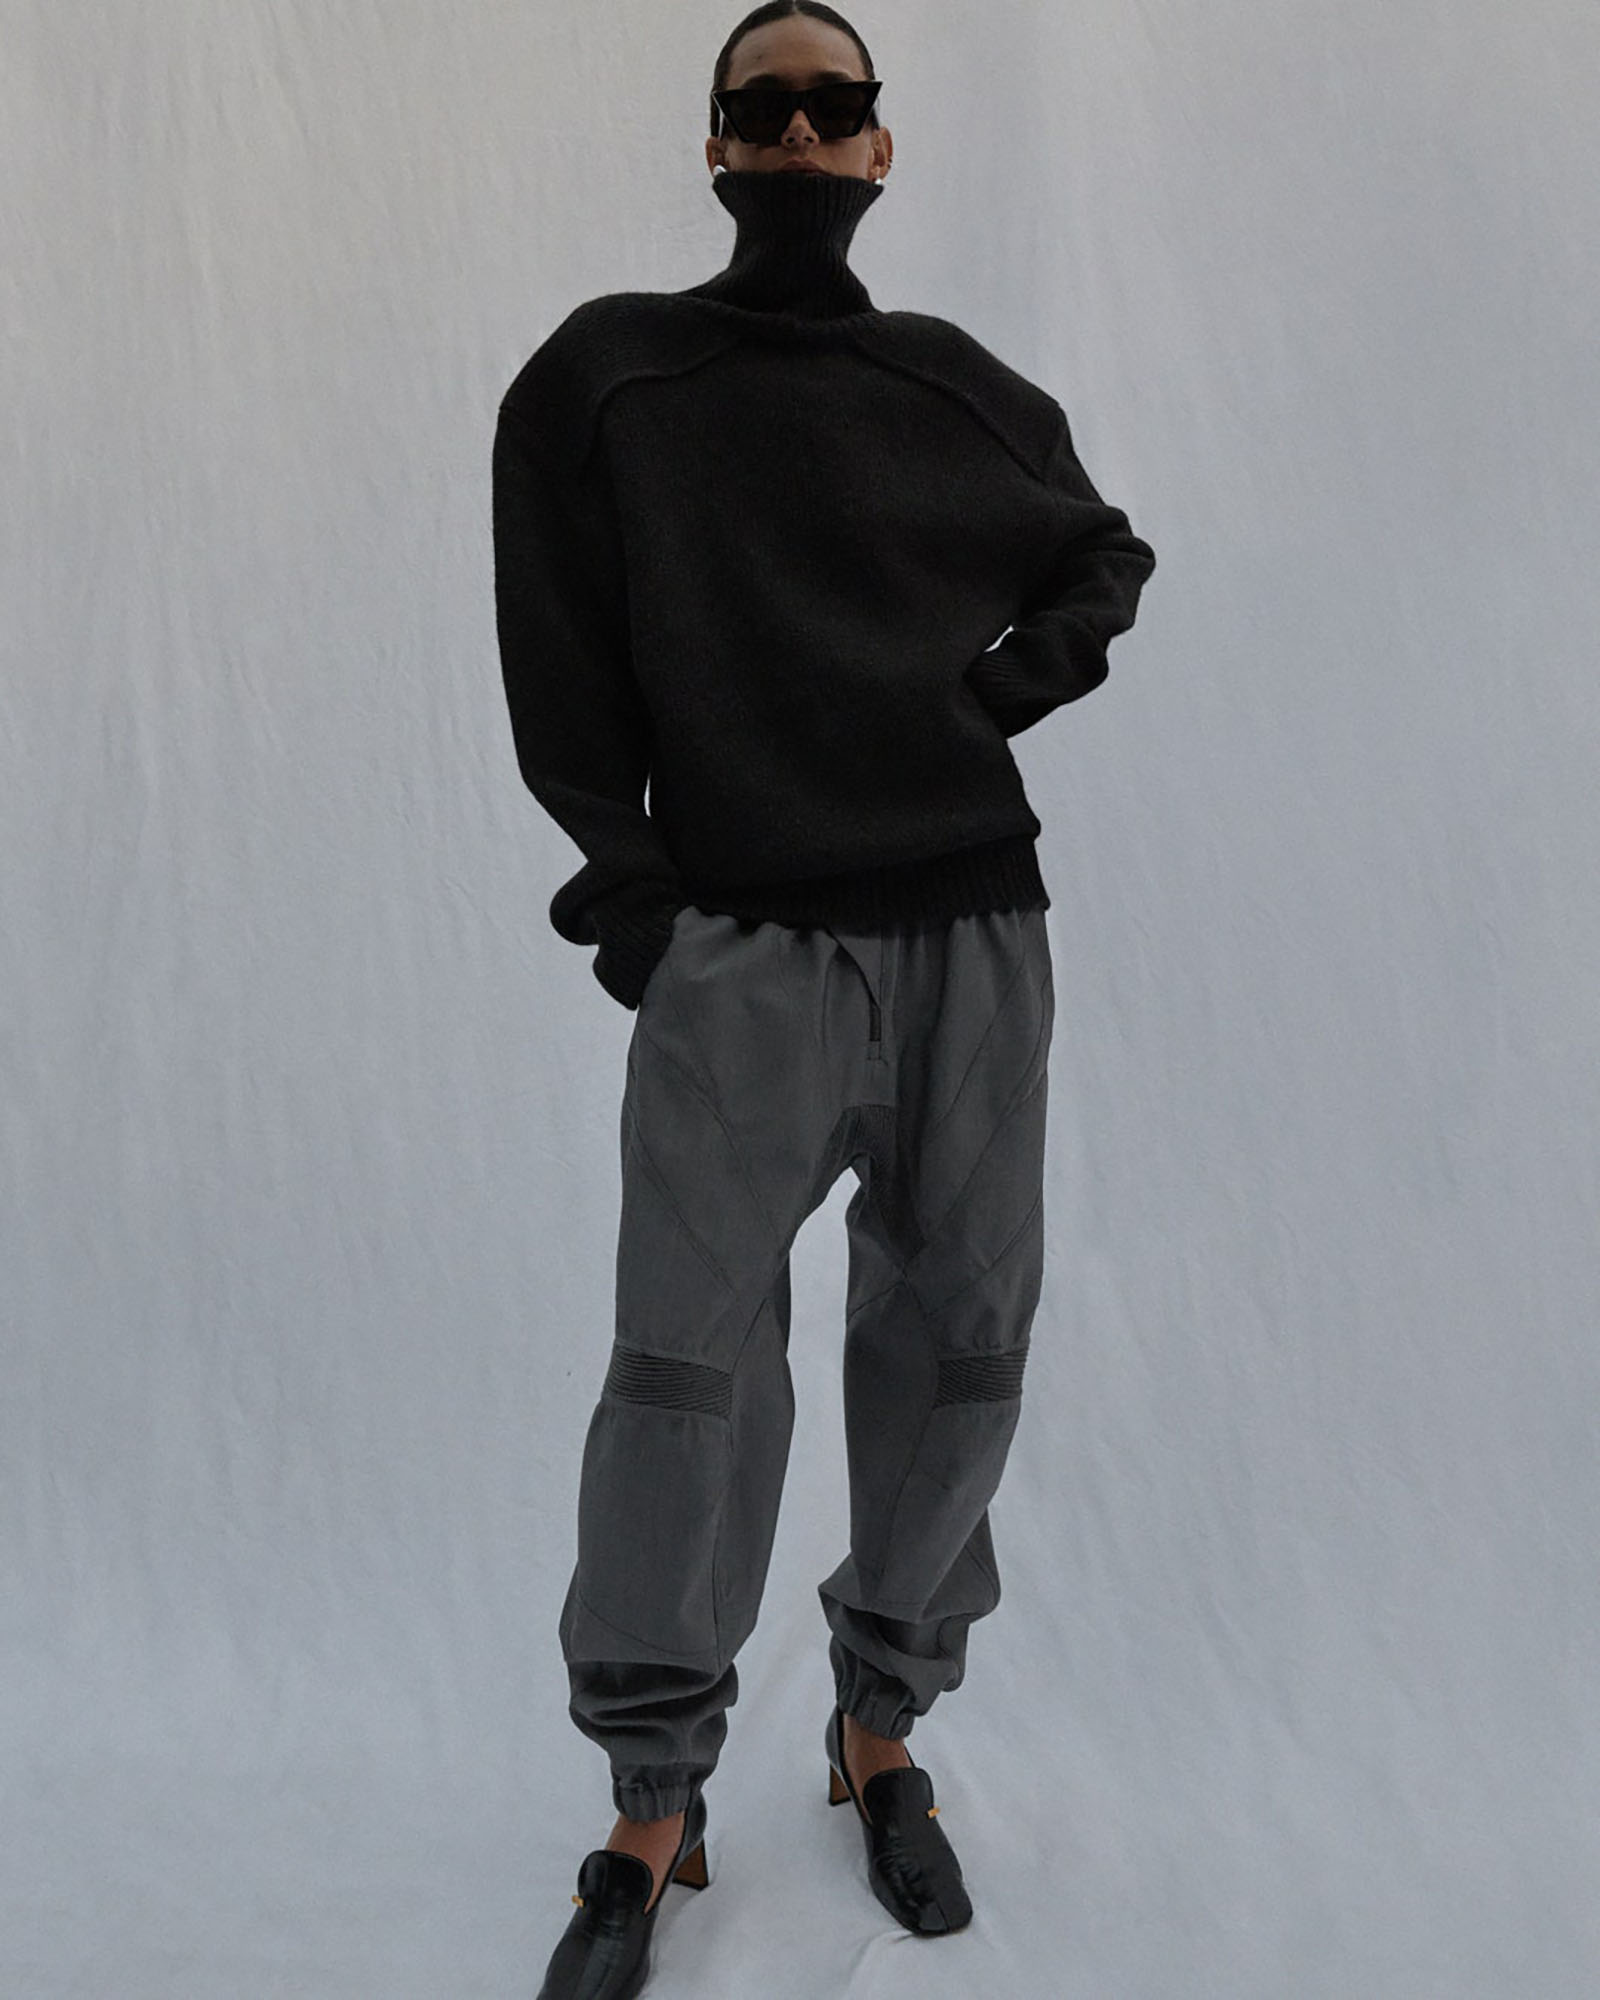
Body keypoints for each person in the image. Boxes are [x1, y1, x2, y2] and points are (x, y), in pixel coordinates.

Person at [493, 5, 1157, 1992]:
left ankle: (880, 1727)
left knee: (964, 1347)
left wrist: (1001, 688)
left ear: (878, 147)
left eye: (831, 101)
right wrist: (638, 911)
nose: (797, 127)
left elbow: (1101, 552)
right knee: (681, 1377)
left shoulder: (947, 386)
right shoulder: (609, 375)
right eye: (760, 102)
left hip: (974, 935)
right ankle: (652, 1797)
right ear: (715, 143)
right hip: (744, 951)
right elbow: (558, 668)